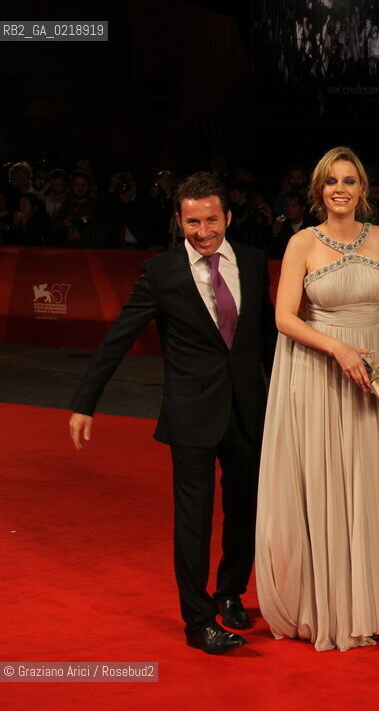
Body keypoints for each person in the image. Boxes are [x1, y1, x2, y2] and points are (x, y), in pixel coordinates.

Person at [68, 172, 277, 654]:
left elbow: (266, 341)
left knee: (244, 508)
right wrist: (85, 402)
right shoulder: (161, 273)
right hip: (191, 414)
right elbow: (119, 336)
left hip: (248, 409)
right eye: (191, 222)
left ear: (227, 216)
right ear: (178, 221)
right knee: (193, 518)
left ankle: (229, 593)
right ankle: (198, 620)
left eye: (210, 220)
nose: (202, 232)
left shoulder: (250, 261)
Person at [255, 146, 379, 652]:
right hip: (320, 374)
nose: (341, 189)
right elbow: (285, 318)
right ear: (319, 191)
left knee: (378, 482)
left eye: (350, 181)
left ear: (364, 190)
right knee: (329, 482)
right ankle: (334, 604)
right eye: (331, 181)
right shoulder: (301, 244)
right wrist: (338, 349)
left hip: (375, 378)